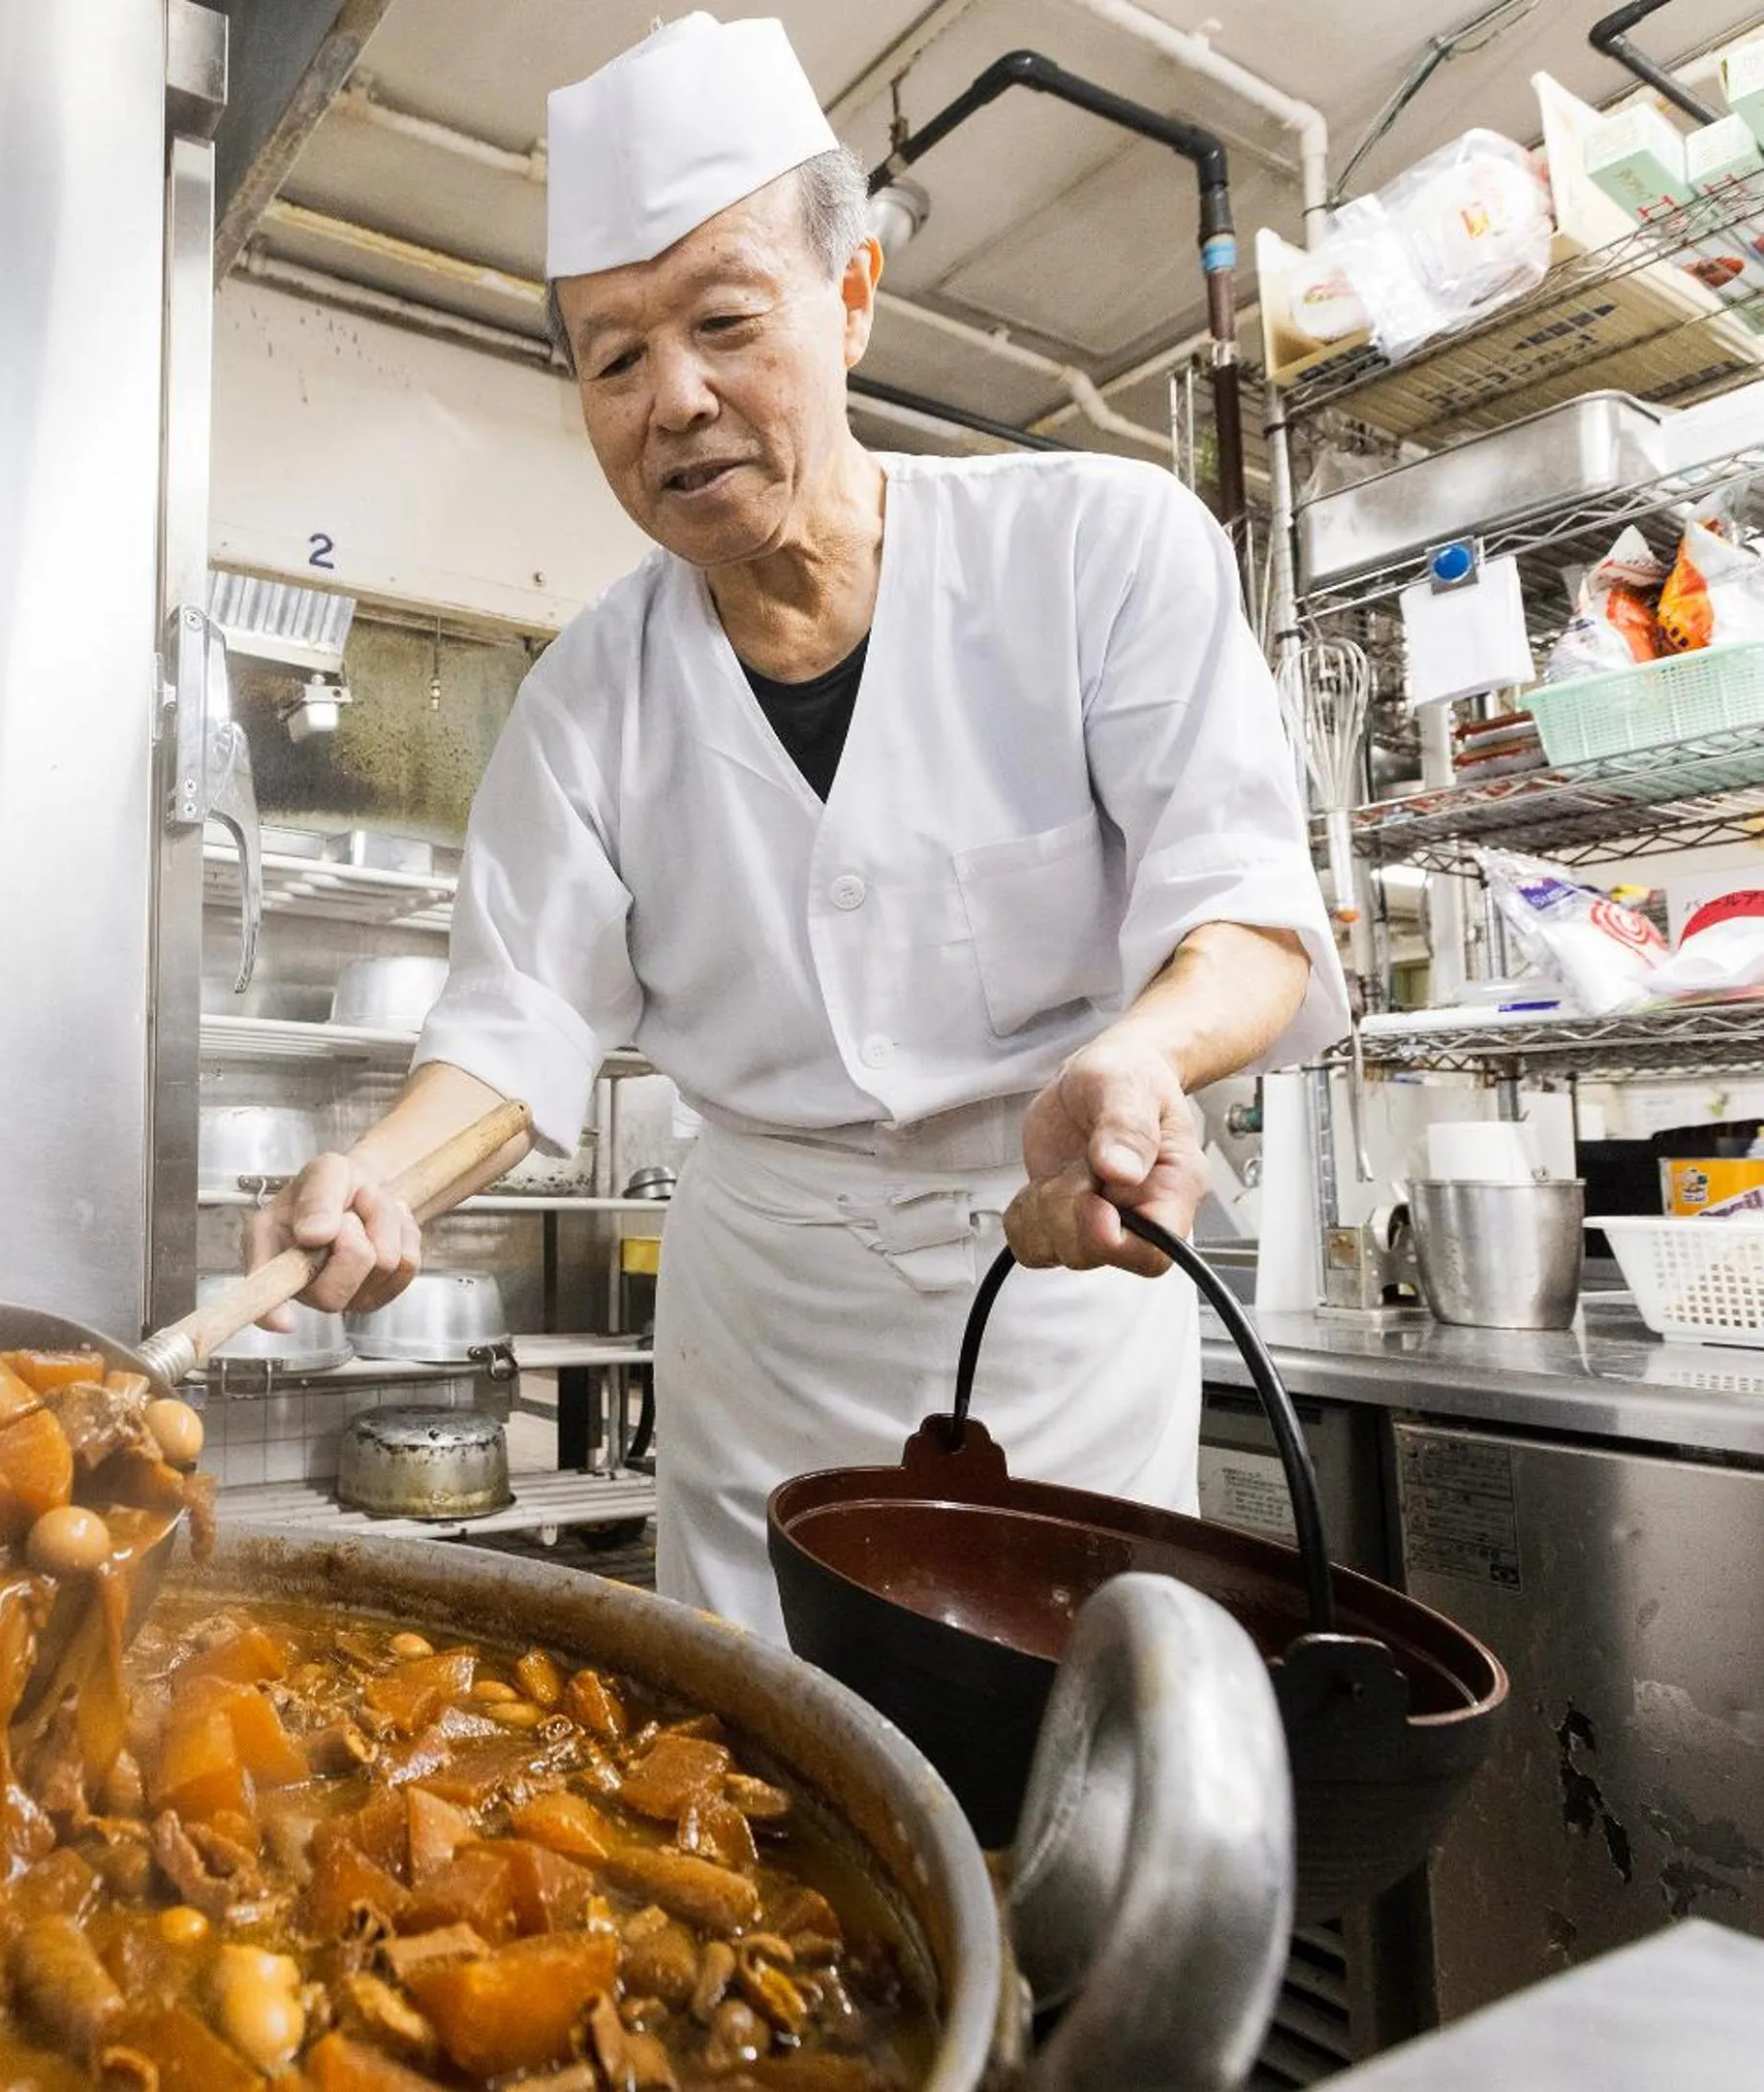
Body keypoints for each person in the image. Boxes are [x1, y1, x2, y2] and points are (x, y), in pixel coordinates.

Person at [252, 13, 1346, 1640]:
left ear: (851, 299)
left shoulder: (1100, 553)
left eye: (723, 323)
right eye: (614, 359)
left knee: (1058, 1773)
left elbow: (1246, 913)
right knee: (757, 1781)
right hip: (760, 1326)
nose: (673, 399)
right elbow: (520, 1019)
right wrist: (374, 1179)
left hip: (1050, 1288)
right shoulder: (587, 701)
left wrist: (1140, 1058)